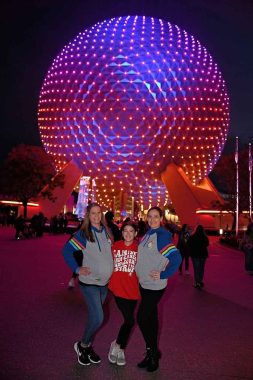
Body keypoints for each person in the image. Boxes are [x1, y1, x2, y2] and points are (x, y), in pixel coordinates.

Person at [62, 202, 113, 366]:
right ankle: (82, 345)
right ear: (88, 216)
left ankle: (88, 347)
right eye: (93, 213)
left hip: (104, 283)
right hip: (89, 282)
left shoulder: (106, 231)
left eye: (99, 213)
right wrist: (76, 269)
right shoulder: (84, 233)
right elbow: (66, 251)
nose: (96, 216)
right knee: (99, 317)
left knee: (94, 317)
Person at [135, 207, 182, 372]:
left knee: (141, 318)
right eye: (150, 216)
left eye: (156, 216)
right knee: (151, 319)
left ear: (161, 218)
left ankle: (153, 353)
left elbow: (176, 258)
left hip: (154, 286)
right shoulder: (149, 234)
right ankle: (151, 353)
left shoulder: (162, 236)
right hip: (144, 284)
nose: (152, 219)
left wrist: (164, 274)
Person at [108, 221, 140, 366]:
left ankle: (116, 344)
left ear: (136, 233)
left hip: (133, 291)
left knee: (128, 321)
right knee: (130, 320)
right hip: (117, 289)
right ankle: (120, 348)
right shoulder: (115, 247)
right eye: (125, 231)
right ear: (122, 233)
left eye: (131, 231)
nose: (128, 233)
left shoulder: (140, 248)